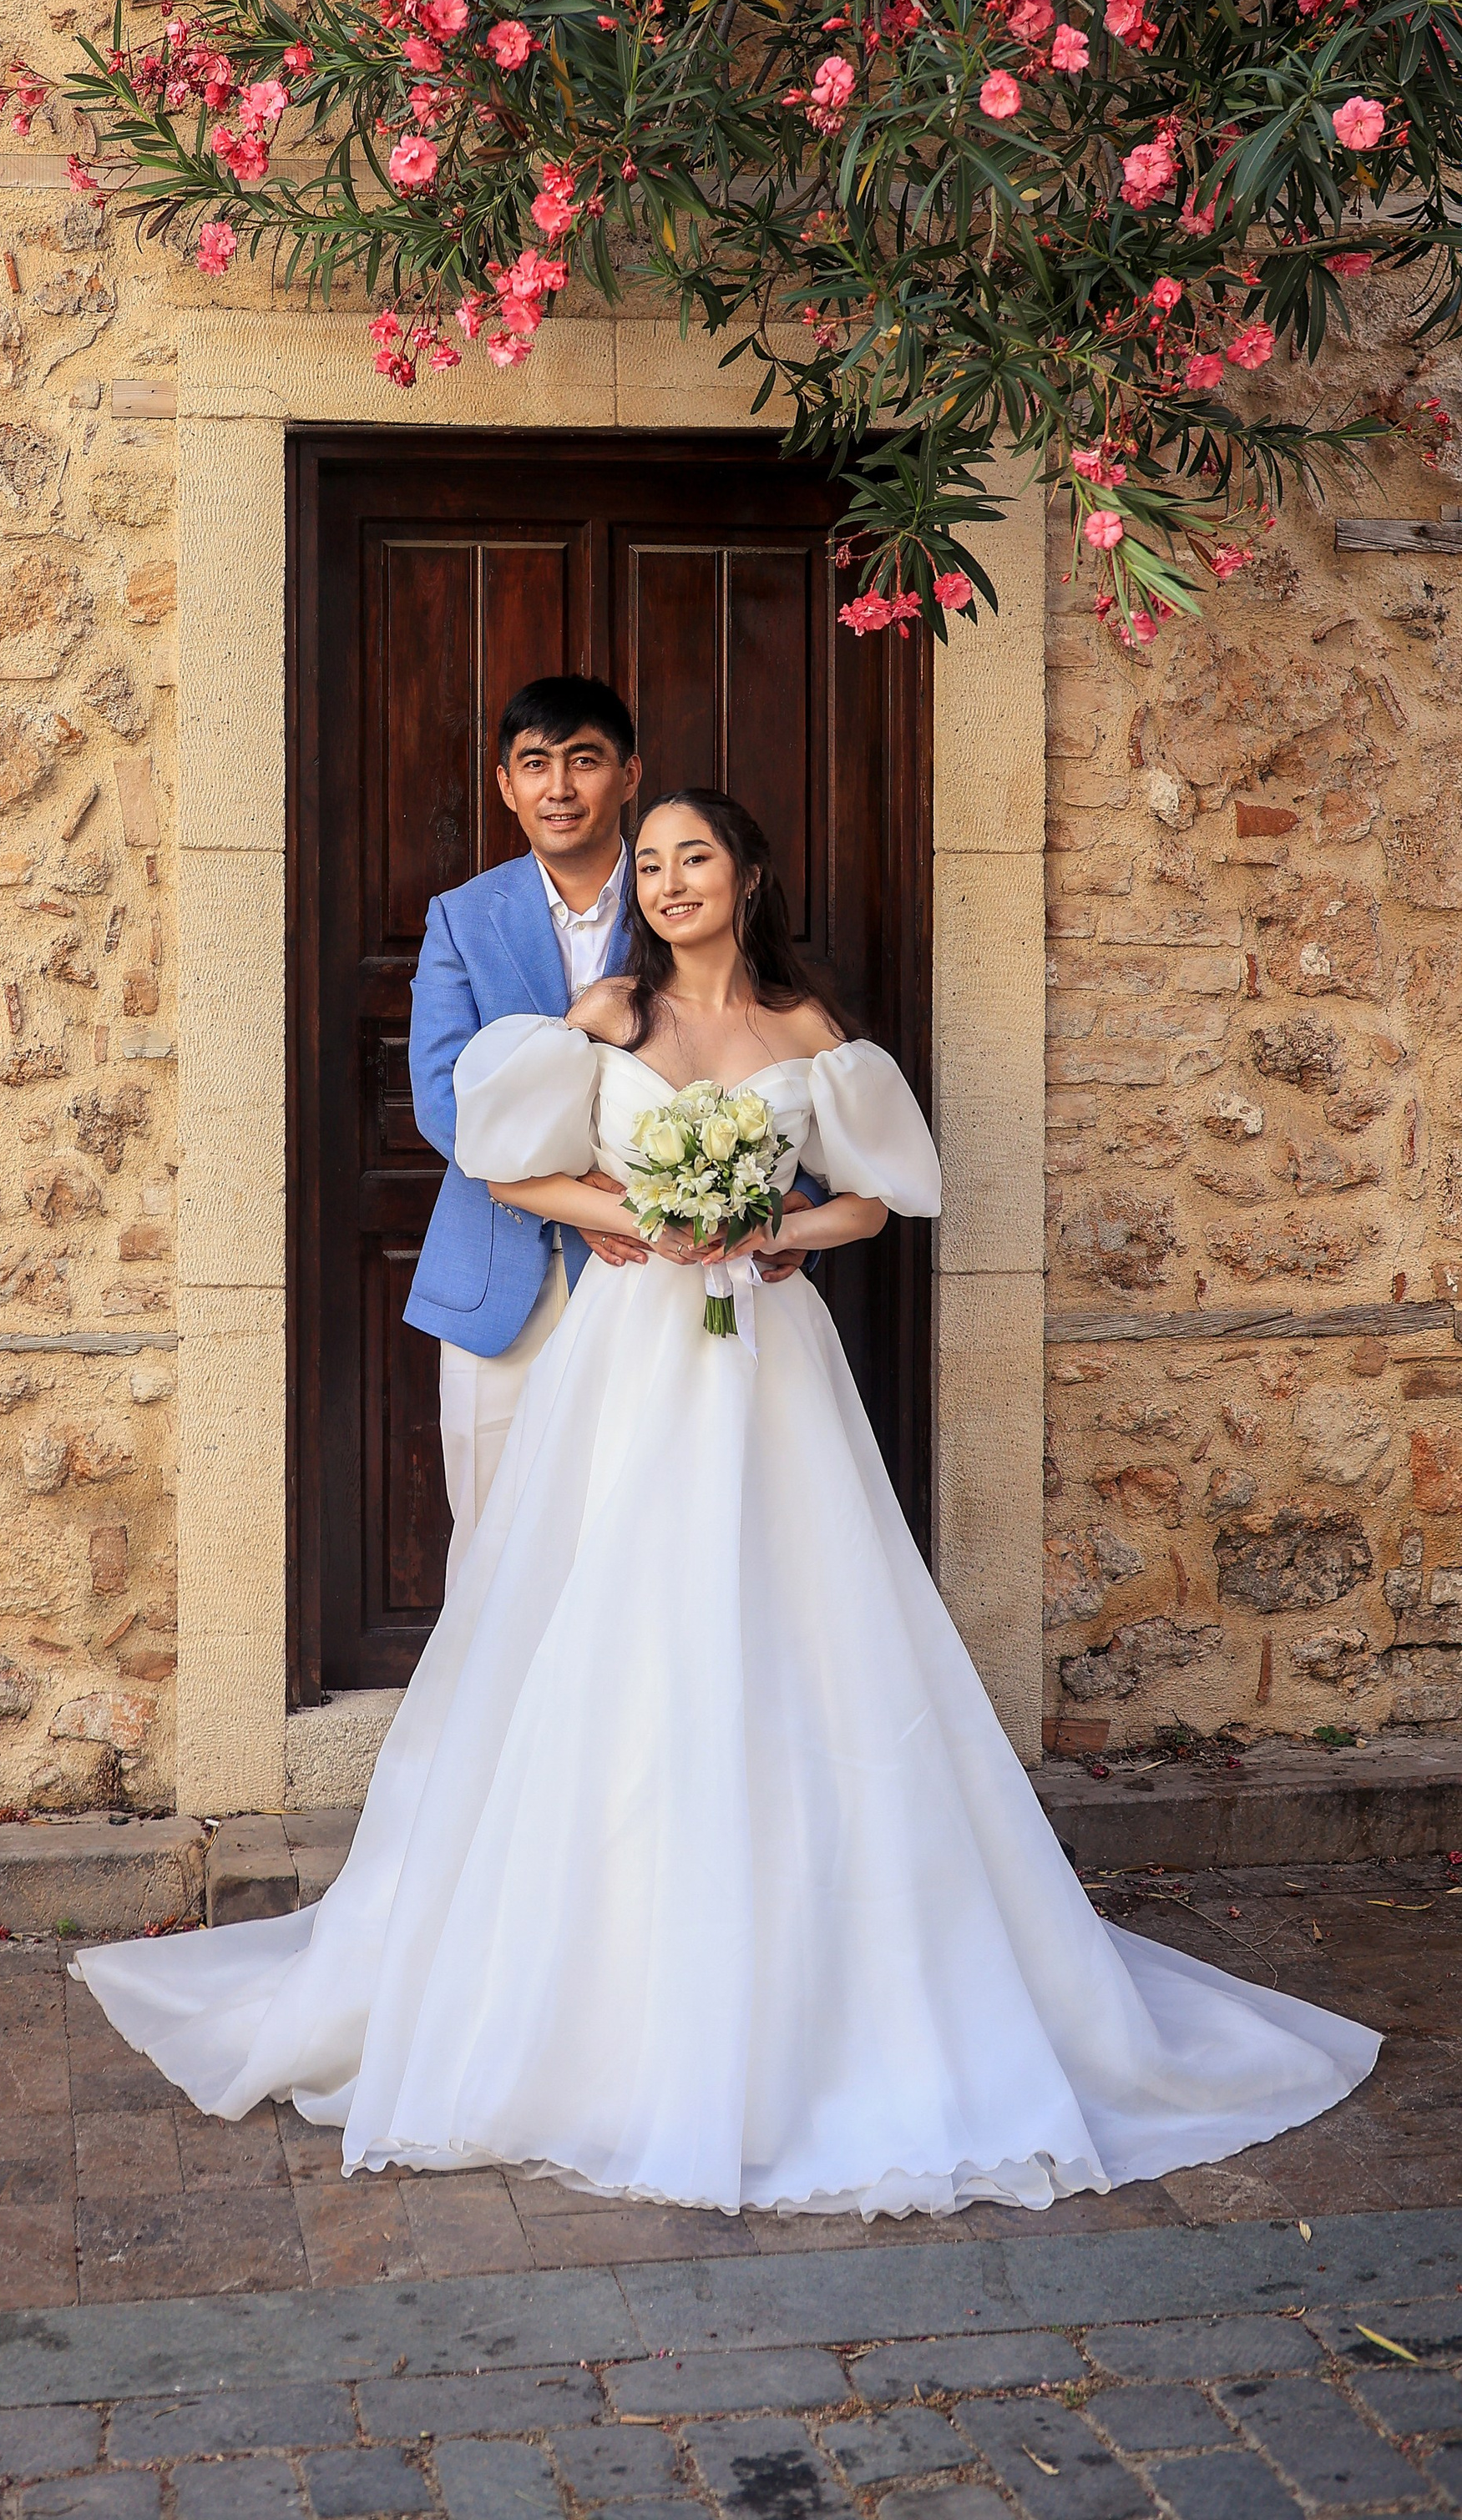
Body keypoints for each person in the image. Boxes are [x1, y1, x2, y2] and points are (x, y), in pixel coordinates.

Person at [73, 785, 1376, 2219]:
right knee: (614, 1621)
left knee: (803, 1622)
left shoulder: (810, 1035)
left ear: (748, 873)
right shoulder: (607, 1017)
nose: (671, 878)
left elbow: (872, 1205)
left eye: (694, 856)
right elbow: (521, 1168)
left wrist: (772, 1230)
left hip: (766, 1357)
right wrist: (650, 1220)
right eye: (651, 863)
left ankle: (842, 1982)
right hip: (628, 1359)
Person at [406, 676, 812, 1588]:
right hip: (501, 1269)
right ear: (504, 785)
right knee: (498, 1536)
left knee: (648, 1548)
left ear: (627, 776)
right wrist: (585, 1196)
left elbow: (775, 1056)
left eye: (583, 761)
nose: (559, 787)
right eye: (534, 765)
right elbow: (444, 1100)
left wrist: (787, 1199)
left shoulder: (684, 893)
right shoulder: (463, 918)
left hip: (673, 1283)